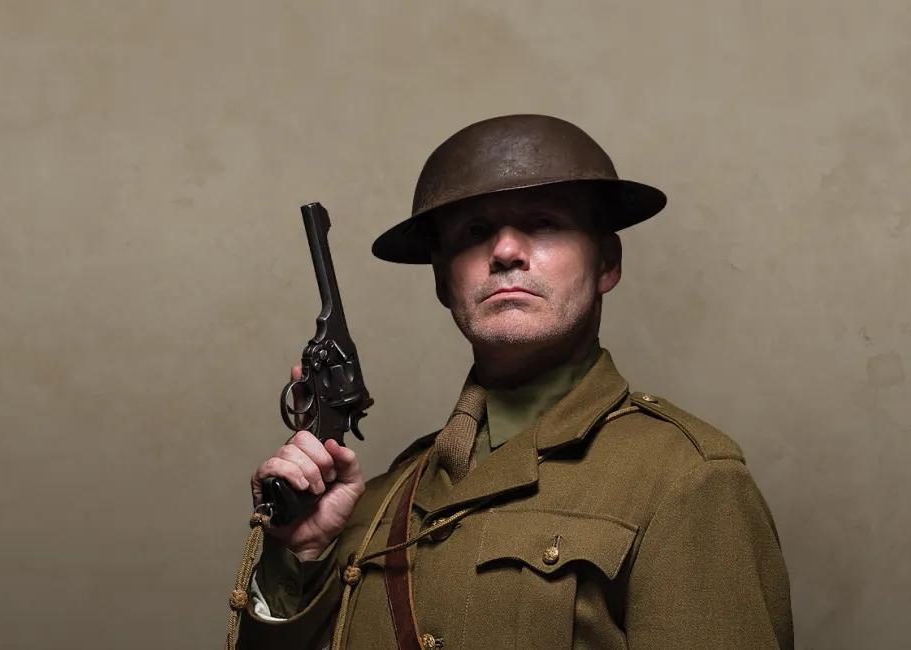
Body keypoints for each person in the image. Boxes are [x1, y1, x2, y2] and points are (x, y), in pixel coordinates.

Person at [231, 114, 793, 649]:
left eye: (543, 222)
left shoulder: (687, 478)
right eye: (475, 232)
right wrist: (301, 556)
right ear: (442, 281)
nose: (503, 251)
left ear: (607, 263)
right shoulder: (378, 503)